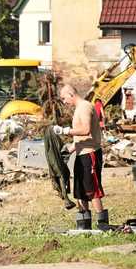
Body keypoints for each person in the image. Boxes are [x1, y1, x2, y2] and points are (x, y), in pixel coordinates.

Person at [53, 85, 108, 230]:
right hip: (80, 153)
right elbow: (80, 137)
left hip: (90, 154)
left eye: (64, 98)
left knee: (92, 189)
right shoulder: (78, 108)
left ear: (71, 94)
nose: (64, 102)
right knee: (79, 189)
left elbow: (86, 130)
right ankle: (84, 223)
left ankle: (103, 223)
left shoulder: (84, 107)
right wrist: (70, 149)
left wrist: (65, 130)